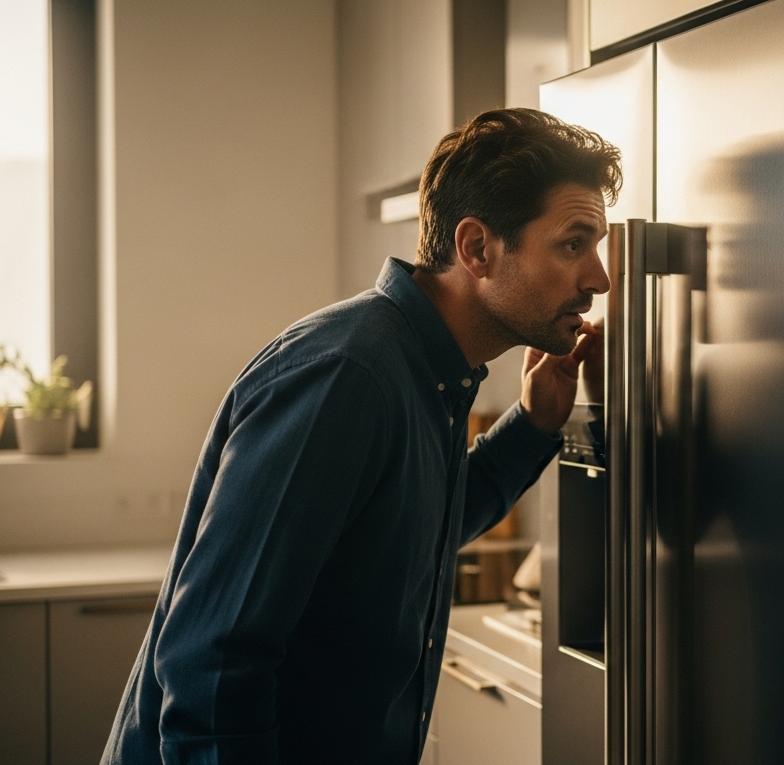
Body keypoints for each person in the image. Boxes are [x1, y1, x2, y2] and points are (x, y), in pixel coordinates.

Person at [102, 109, 618, 764]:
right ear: (477, 249)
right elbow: (215, 660)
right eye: (573, 245)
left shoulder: (426, 374)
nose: (599, 278)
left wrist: (535, 423)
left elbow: (424, 524)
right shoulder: (348, 377)